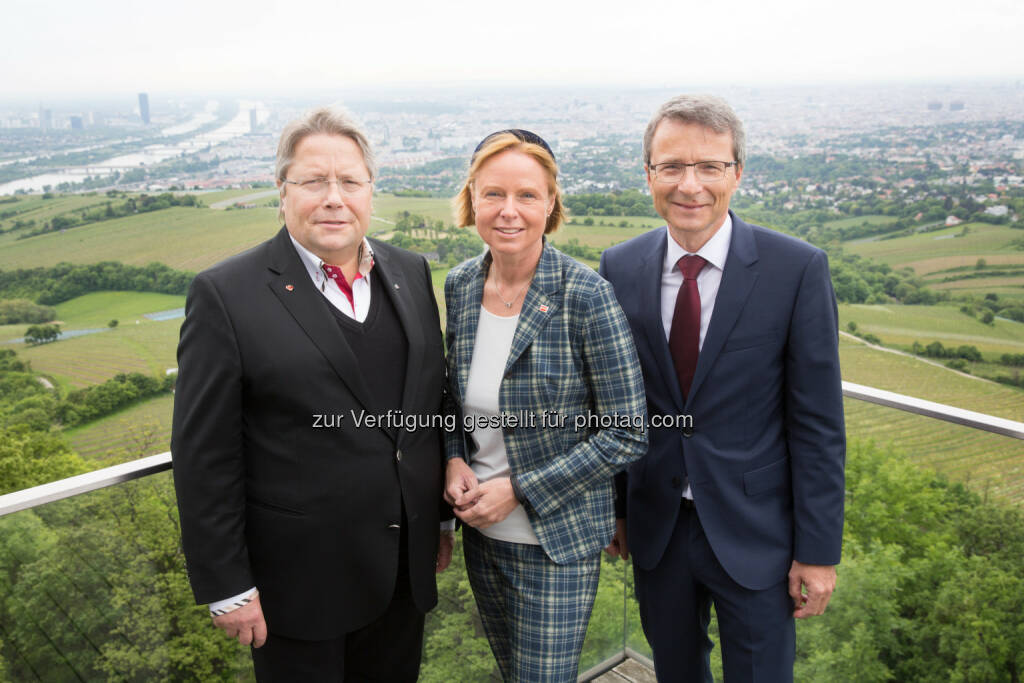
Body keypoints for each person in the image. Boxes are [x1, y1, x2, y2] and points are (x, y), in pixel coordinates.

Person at [171, 106, 453, 682]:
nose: (333, 198)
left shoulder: (409, 271)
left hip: (402, 572)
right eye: (313, 181)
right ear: (282, 190)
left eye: (350, 181)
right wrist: (226, 583)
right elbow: (205, 455)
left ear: (371, 190)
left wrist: (440, 520)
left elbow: (428, 404)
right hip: (295, 589)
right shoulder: (226, 295)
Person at [600, 95, 846, 681]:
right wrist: (616, 509)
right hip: (657, 525)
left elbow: (817, 424)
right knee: (676, 672)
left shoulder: (797, 270)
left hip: (757, 531)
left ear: (737, 172)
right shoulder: (620, 266)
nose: (691, 185)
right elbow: (612, 402)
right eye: (672, 166)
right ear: (649, 174)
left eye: (710, 166)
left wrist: (817, 551)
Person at [443, 129, 647, 682]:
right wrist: (452, 458)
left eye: (527, 195)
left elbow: (627, 432)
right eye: (493, 194)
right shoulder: (461, 286)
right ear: (472, 199)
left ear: (551, 203)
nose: (509, 211)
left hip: (555, 544)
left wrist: (519, 488)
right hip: (482, 540)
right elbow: (446, 398)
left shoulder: (585, 295)